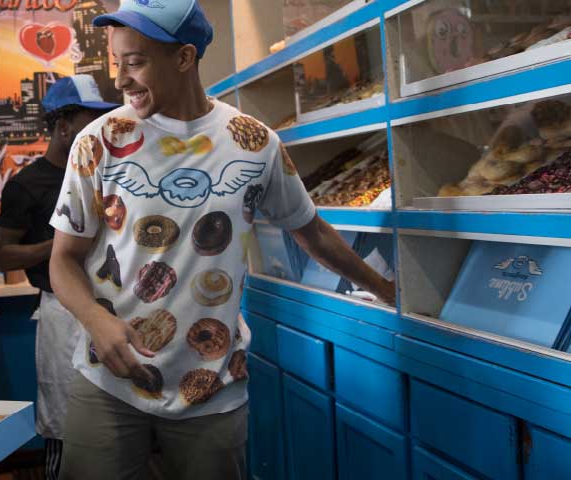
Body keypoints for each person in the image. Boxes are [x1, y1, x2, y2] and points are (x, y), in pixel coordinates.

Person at [47, 1, 396, 478]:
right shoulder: (99, 141)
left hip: (211, 389)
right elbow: (63, 259)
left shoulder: (253, 143)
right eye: (116, 63)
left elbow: (311, 231)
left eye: (135, 62)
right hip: (109, 381)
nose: (121, 80)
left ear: (184, 57)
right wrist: (95, 320)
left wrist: (385, 289)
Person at [0, 74, 119, 480]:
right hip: (62, 313)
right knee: (66, 422)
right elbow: (4, 256)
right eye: (90, 121)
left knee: (116, 424)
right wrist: (64, 244)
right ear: (63, 127)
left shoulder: (105, 173)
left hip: (110, 307)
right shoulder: (26, 186)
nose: (99, 129)